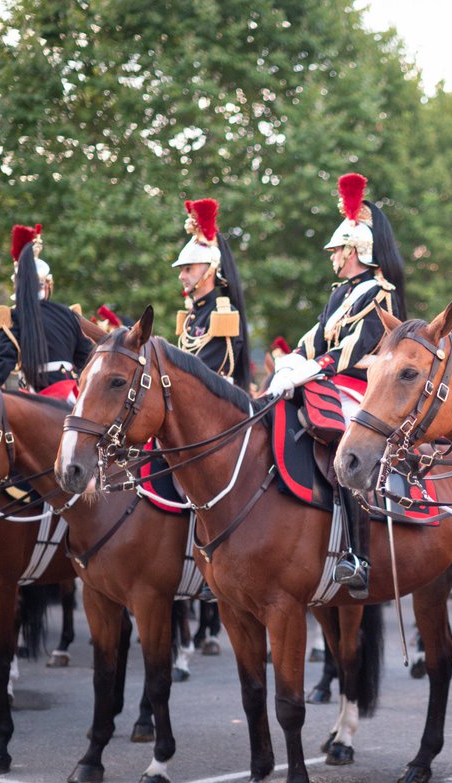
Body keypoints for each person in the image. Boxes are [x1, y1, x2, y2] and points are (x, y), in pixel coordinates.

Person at [267, 173, 408, 599]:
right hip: (329, 379)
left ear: (354, 250)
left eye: (337, 249)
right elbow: (317, 337)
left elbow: (354, 349)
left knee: (351, 448)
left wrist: (312, 369)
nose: (332, 256)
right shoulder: (339, 293)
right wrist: (293, 360)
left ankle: (357, 556)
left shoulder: (379, 292)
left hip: (362, 385)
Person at [0, 225, 92, 403]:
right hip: (73, 395)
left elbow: (4, 360)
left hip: (35, 397)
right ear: (47, 285)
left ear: (17, 285)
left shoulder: (14, 316)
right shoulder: (68, 314)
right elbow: (86, 359)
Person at [173, 198, 250, 389]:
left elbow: (207, 370)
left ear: (211, 269)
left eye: (188, 269)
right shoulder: (193, 314)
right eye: (181, 269)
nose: (182, 276)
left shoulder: (224, 314)